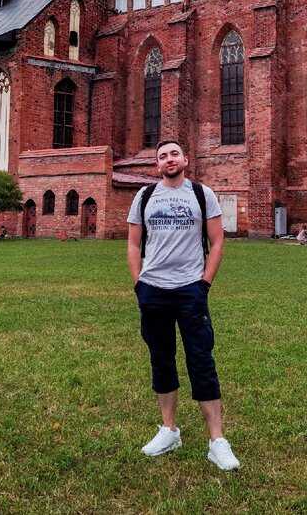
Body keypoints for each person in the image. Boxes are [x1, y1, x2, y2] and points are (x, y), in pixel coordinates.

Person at [127, 139, 240, 472]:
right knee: (161, 359)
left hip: (191, 290)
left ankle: (217, 441)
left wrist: (204, 283)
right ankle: (169, 430)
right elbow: (133, 243)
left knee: (201, 360)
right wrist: (139, 284)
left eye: (174, 154)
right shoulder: (144, 196)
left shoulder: (202, 194)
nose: (169, 159)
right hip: (153, 291)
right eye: (162, 156)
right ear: (157, 165)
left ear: (186, 160)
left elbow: (218, 241)